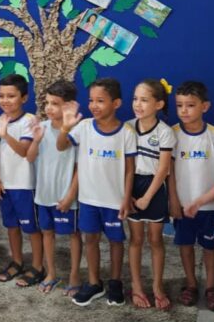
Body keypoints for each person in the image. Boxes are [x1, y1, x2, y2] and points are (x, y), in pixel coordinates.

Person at [58, 78, 136, 307]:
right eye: (91, 100)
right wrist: (65, 126)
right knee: (89, 238)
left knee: (115, 241)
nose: (93, 105)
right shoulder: (83, 127)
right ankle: (94, 282)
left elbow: (130, 171)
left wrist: (125, 198)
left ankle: (115, 282)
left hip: (114, 201)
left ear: (117, 103)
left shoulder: (126, 133)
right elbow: (61, 145)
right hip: (88, 200)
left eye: (100, 101)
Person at [168, 81, 214, 312]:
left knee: (211, 247)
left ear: (205, 106)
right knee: (185, 245)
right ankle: (191, 283)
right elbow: (169, 172)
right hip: (182, 205)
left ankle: (212, 287)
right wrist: (173, 201)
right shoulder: (171, 135)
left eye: (190, 105)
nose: (184, 110)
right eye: (180, 105)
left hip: (210, 206)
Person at [26, 80, 81, 296]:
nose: (49, 108)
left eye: (55, 104)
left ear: (68, 106)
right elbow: (30, 158)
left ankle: (75, 275)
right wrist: (36, 140)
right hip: (44, 194)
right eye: (47, 102)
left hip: (67, 196)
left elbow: (79, 167)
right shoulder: (43, 127)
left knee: (73, 234)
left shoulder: (77, 129)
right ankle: (51, 273)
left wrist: (70, 195)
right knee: (47, 233)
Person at [127, 79, 176, 310]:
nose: (138, 104)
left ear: (158, 104)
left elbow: (164, 169)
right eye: (135, 98)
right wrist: (127, 195)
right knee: (135, 239)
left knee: (155, 240)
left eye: (144, 100)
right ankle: (136, 286)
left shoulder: (165, 132)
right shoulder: (126, 127)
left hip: (154, 188)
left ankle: (157, 286)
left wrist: (147, 197)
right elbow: (123, 165)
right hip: (131, 184)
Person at [0, 74, 44, 287]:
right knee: (11, 226)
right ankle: (17, 261)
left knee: (31, 228)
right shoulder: (0, 120)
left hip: (25, 185)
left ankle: (38, 267)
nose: (5, 100)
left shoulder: (29, 120)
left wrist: (5, 135)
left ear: (24, 98)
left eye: (11, 96)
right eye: (1, 96)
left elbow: (23, 151)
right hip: (6, 185)